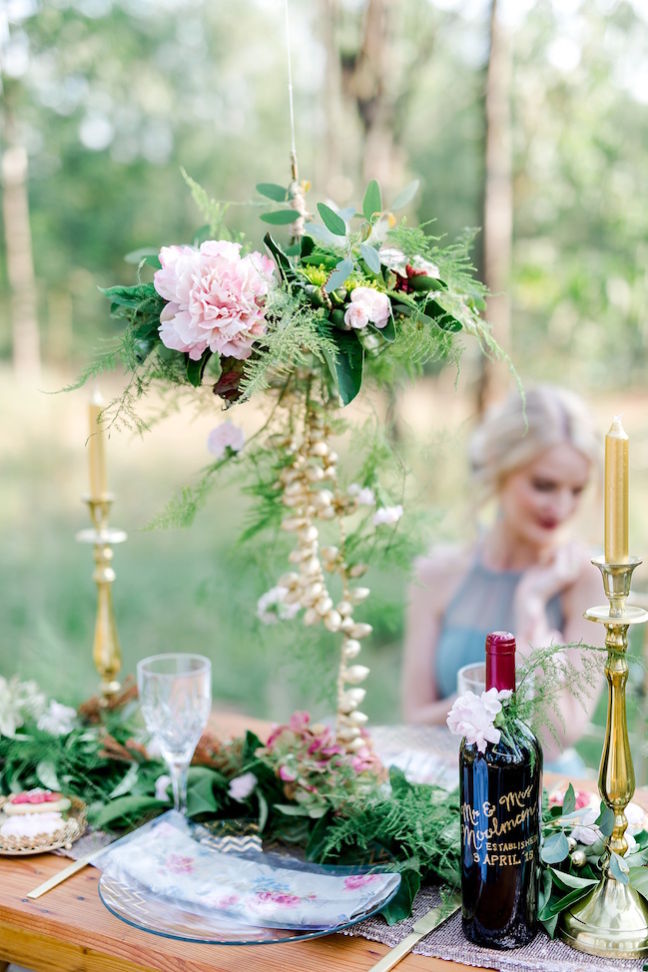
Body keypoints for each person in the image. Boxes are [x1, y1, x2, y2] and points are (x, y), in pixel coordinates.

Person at [402, 384, 603, 760]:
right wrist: (490, 702)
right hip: (452, 780)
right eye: (544, 485)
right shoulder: (436, 574)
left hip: (542, 793)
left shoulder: (586, 581)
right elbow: (413, 719)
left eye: (576, 490)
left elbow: (556, 739)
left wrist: (532, 604)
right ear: (499, 465)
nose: (561, 506)